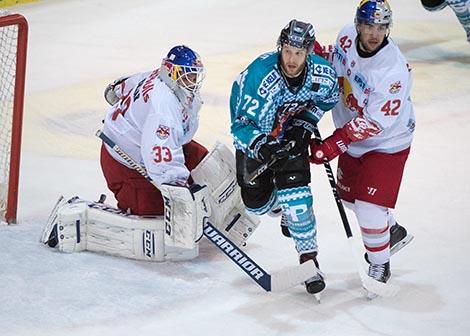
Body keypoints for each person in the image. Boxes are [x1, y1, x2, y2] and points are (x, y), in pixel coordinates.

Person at [309, 0, 415, 294]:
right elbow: (337, 57)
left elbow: (374, 122)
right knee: (351, 201)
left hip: (387, 142)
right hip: (355, 141)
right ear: (358, 25)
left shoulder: (392, 71)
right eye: (369, 26)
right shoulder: (346, 36)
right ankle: (390, 230)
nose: (374, 34)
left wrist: (334, 143)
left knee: (368, 209)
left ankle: (380, 263)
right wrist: (318, 55)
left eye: (381, 28)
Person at [229, 19, 339, 295]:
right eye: (288, 51)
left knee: (298, 199)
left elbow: (329, 98)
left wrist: (304, 124)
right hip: (255, 133)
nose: (291, 59)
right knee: (255, 204)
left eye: (298, 53)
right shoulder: (261, 77)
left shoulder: (321, 74)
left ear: (309, 53)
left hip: (290, 133)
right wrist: (263, 146)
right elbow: (241, 126)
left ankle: (309, 262)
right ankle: (281, 207)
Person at [101, 45, 208, 216]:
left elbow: (120, 87)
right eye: (188, 76)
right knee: (157, 212)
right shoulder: (163, 107)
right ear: (172, 73)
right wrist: (179, 190)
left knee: (206, 164)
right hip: (123, 162)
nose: (193, 82)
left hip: (141, 140)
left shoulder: (158, 76)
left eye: (195, 75)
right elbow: (158, 155)